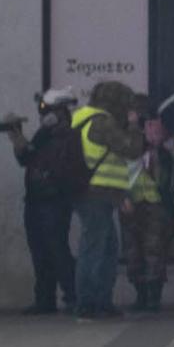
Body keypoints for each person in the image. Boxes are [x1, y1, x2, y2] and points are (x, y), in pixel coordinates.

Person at [0, 89, 86, 312]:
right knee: (39, 250)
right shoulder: (44, 134)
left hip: (55, 200)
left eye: (48, 110)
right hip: (36, 200)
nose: (44, 115)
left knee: (57, 248)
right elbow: (27, 157)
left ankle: (73, 295)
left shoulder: (69, 136)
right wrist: (16, 135)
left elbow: (64, 168)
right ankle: (45, 299)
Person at [71, 81, 144, 318]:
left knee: (106, 246)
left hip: (92, 192)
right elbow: (131, 148)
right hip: (97, 194)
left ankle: (99, 300)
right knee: (96, 247)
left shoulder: (81, 117)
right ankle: (88, 303)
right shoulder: (102, 121)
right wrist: (133, 125)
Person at [122, 106, 174, 313]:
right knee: (132, 251)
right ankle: (141, 294)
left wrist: (158, 145)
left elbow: (170, 170)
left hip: (155, 204)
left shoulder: (161, 149)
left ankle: (154, 295)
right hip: (130, 203)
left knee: (154, 249)